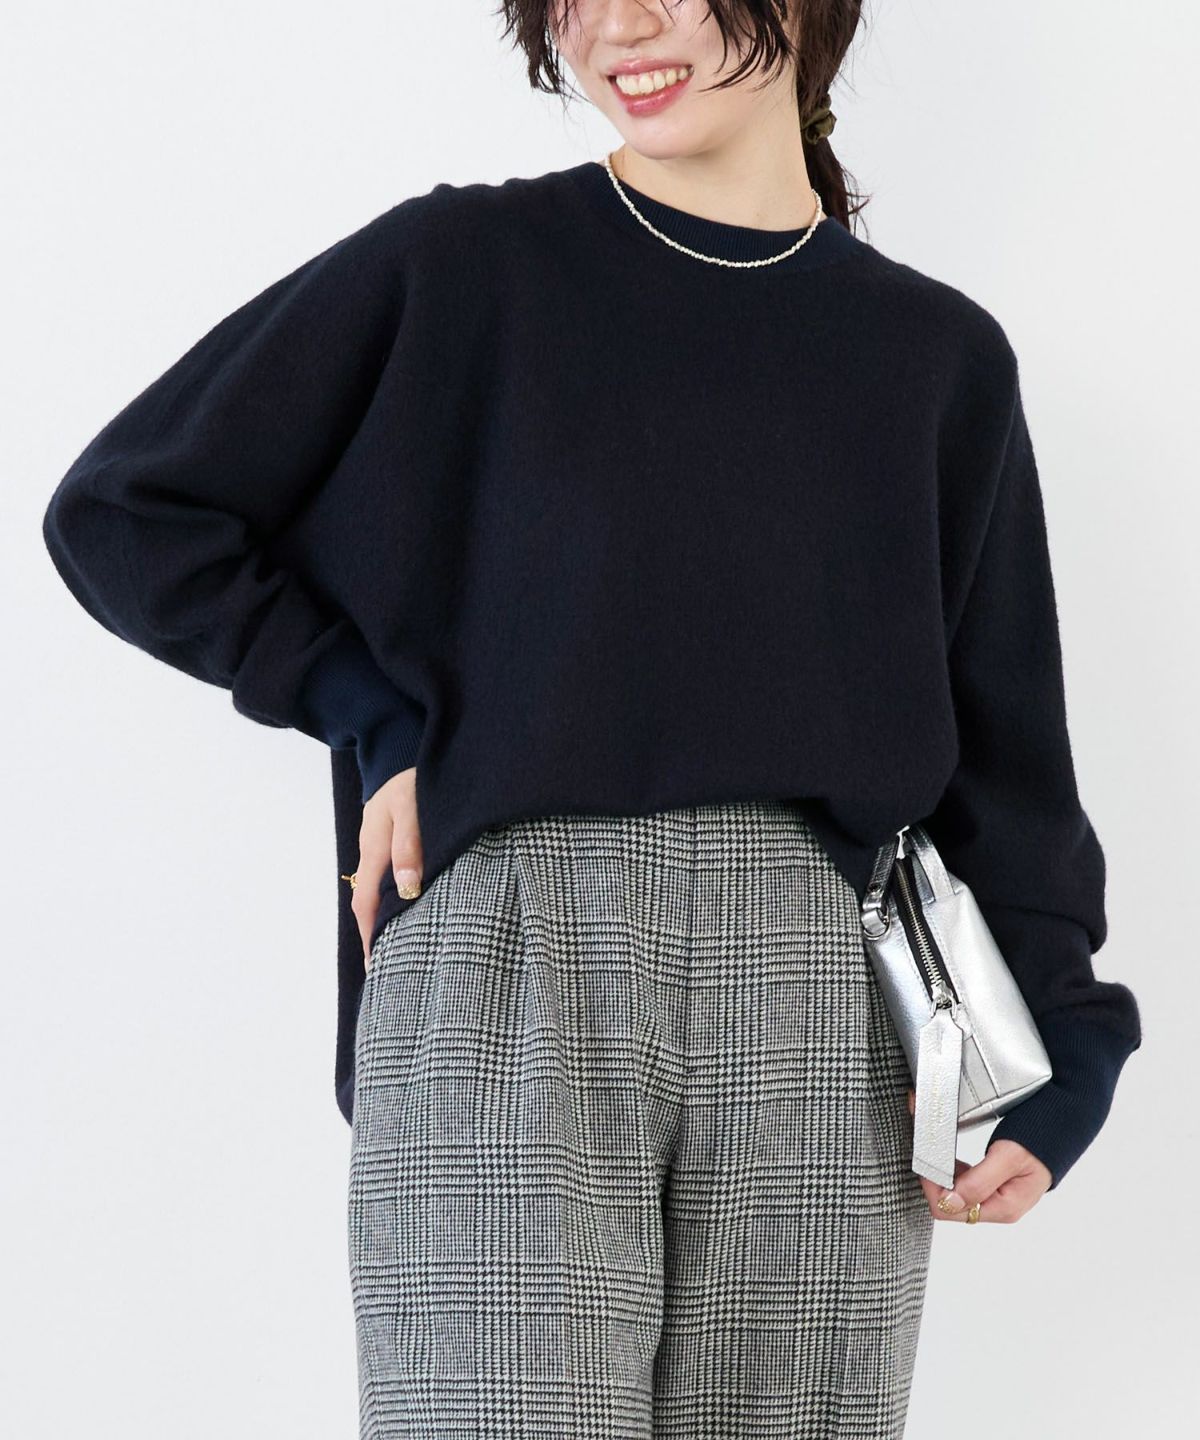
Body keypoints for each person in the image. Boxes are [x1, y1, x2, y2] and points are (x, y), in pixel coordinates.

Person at [41, 1, 1142, 1435]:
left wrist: (1070, 1051)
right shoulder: (463, 269)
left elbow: (1009, 760)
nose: (617, 25)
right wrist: (366, 712)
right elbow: (130, 509)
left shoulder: (935, 358)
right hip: (509, 963)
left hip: (821, 1001)